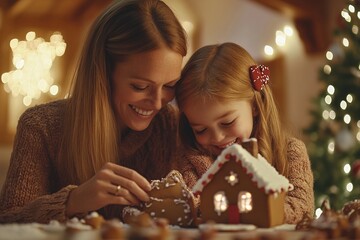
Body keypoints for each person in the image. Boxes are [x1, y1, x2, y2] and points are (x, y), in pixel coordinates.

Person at [0, 0, 187, 223]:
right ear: (103, 73)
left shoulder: (172, 125)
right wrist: (73, 201)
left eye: (169, 85)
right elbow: (7, 221)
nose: (157, 102)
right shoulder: (41, 127)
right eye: (140, 87)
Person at [175, 42, 314, 224]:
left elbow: (301, 210)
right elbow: (195, 209)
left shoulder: (290, 152)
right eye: (200, 130)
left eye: (227, 122)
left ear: (255, 105)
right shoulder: (191, 161)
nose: (217, 137)